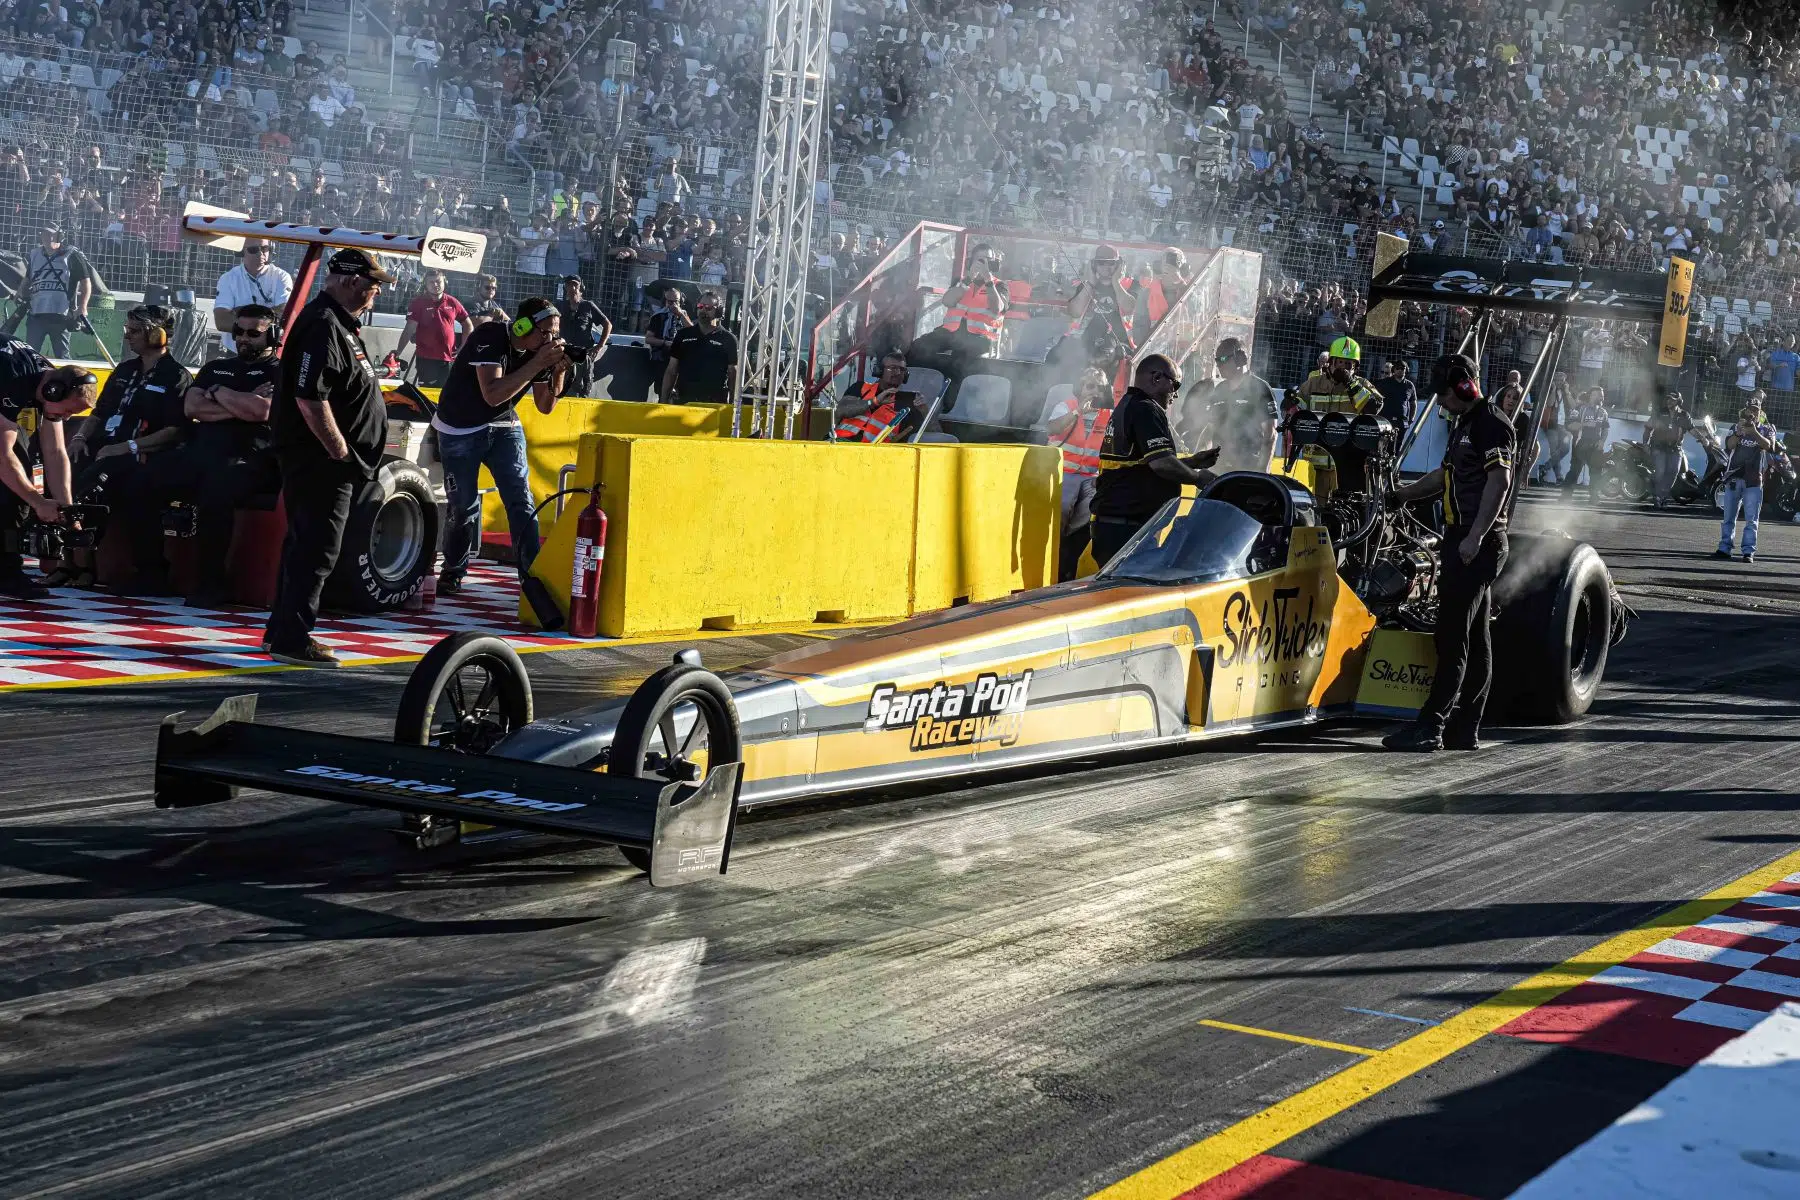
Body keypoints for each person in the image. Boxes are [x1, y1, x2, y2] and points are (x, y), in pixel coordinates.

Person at [266, 248, 396, 668]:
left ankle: (280, 630)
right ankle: (293, 639)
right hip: (319, 460)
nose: (376, 292)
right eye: (372, 284)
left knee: (305, 544)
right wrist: (340, 451)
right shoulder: (323, 323)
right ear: (350, 281)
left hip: (325, 459)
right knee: (317, 548)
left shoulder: (340, 323)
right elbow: (309, 396)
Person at [1383, 353, 1514, 753]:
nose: (1439, 401)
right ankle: (1465, 728)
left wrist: (1475, 537)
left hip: (1477, 542)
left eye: (1443, 394)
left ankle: (1431, 726)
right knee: (1476, 637)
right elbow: (1446, 474)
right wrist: (1403, 495)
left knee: (1451, 636)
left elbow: (1500, 481)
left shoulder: (1492, 424)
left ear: (1464, 386)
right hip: (1464, 538)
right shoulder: (1466, 424)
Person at [126, 305, 283, 607]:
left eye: (253, 333)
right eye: (239, 331)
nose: (243, 338)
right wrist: (241, 403)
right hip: (200, 452)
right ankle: (151, 573)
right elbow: (192, 408)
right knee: (140, 482)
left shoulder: (279, 372)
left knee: (215, 492)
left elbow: (261, 411)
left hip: (249, 458)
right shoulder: (215, 368)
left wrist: (217, 393)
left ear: (273, 336)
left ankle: (212, 583)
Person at [432, 297, 568, 595]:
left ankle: (532, 577)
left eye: (555, 333)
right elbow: (492, 394)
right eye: (544, 332)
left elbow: (545, 405)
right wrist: (538, 363)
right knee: (464, 506)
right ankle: (453, 571)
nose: (550, 339)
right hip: (460, 427)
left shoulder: (540, 352)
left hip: (504, 425)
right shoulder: (490, 335)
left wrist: (557, 373)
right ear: (521, 326)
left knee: (521, 502)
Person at [58, 305, 194, 592]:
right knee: (63, 470)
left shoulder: (176, 376)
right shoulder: (124, 369)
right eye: (127, 329)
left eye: (134, 331)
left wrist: (126, 447)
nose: (127, 336)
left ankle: (89, 566)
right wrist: (79, 438)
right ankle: (65, 561)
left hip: (141, 455)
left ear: (156, 335)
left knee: (97, 482)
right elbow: (99, 413)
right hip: (104, 449)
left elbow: (175, 430)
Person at [1089, 354, 1220, 568]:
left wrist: (1192, 462)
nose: (1175, 394)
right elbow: (1162, 464)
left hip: (1120, 527)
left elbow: (1142, 465)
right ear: (1157, 378)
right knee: (1130, 586)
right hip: (1127, 530)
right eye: (1175, 385)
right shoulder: (1145, 409)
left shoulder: (1130, 404)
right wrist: (1198, 478)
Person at [0, 342, 96, 598]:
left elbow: (55, 451)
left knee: (22, 474)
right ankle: (6, 571)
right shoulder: (14, 380)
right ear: (52, 392)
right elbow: (2, 455)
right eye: (68, 410)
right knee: (14, 484)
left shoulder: (52, 382)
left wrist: (68, 510)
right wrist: (38, 501)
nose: (67, 418)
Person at [1050, 367, 1114, 579]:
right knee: (1062, 508)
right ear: (1080, 388)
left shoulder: (1109, 416)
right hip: (1063, 472)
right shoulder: (1066, 406)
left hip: (1090, 477)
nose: (1095, 392)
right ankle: (1056, 550)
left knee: (1091, 509)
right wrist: (1078, 412)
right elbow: (1052, 428)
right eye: (1090, 386)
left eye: (1100, 388)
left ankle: (1067, 549)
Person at [907, 243, 1009, 378]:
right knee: (917, 348)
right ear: (970, 262)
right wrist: (968, 279)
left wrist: (988, 280)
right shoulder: (961, 282)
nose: (984, 265)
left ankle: (951, 386)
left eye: (988, 261)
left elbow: (997, 308)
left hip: (981, 337)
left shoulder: (1000, 285)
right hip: (951, 333)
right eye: (980, 260)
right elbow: (947, 301)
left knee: (960, 361)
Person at [1189, 337, 1279, 474]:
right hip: (1218, 468)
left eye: (1223, 359)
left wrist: (1263, 470)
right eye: (1217, 360)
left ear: (1241, 358)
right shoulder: (1219, 390)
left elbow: (1270, 434)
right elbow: (1210, 430)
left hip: (1248, 469)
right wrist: (1196, 461)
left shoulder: (1260, 388)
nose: (1219, 364)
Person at [1715, 408, 1777, 564]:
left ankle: (1748, 551)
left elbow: (1769, 446)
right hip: (1734, 477)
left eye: (1755, 412)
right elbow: (1729, 445)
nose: (1752, 415)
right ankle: (1724, 548)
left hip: (1754, 480)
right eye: (1750, 412)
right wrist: (1739, 432)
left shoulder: (1767, 429)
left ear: (1760, 414)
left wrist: (1754, 432)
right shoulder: (1736, 427)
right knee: (1728, 517)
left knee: (1752, 519)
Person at [24, 226, 94, 358]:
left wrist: (83, 306)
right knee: (30, 355)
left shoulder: (71, 255)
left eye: (50, 234)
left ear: (60, 237)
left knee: (62, 356)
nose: (46, 237)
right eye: (44, 234)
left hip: (61, 314)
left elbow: (86, 282)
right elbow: (28, 278)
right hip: (36, 313)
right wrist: (20, 293)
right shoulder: (35, 254)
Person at [213, 239, 293, 354]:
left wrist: (239, 313)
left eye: (265, 249)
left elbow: (284, 314)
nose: (260, 254)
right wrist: (267, 317)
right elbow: (222, 321)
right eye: (253, 250)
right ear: (241, 252)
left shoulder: (282, 277)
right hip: (235, 351)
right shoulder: (228, 278)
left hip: (269, 352)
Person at [395, 269, 470, 387]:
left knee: (446, 394)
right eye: (431, 282)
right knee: (428, 394)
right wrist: (398, 352)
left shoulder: (452, 302)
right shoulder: (418, 303)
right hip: (426, 359)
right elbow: (409, 329)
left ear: (444, 282)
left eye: (438, 281)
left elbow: (468, 325)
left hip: (448, 359)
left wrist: (463, 347)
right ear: (425, 284)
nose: (435, 284)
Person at [662, 293, 738, 405]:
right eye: (700, 306)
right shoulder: (683, 335)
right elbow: (671, 370)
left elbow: (733, 374)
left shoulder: (728, 339)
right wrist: (663, 400)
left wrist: (733, 403)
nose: (703, 310)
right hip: (684, 401)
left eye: (708, 308)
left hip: (714, 403)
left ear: (719, 311)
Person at [835, 351, 919, 443]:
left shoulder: (908, 402)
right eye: (893, 368)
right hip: (839, 444)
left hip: (873, 451)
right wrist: (874, 401)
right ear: (880, 370)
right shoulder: (860, 387)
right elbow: (841, 410)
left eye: (902, 369)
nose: (898, 372)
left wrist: (924, 410)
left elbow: (923, 432)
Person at [553, 275, 612, 398]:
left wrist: (599, 346)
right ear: (565, 287)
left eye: (575, 285)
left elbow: (607, 324)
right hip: (564, 355)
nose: (572, 288)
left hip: (583, 356)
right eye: (569, 285)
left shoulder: (588, 306)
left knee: (583, 391)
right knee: (561, 390)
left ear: (581, 287)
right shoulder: (560, 306)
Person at [1643, 390, 1693, 509]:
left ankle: (1663, 496)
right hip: (1659, 447)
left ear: (1679, 401)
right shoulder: (1659, 413)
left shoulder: (1684, 415)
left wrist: (1704, 440)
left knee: (1673, 471)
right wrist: (1645, 444)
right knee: (1660, 471)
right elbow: (1648, 428)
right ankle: (1657, 496)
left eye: (1672, 399)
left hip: (1675, 449)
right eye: (1668, 399)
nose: (1669, 401)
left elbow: (1692, 429)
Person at [642, 284, 690, 400]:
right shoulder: (658, 316)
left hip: (680, 359)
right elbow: (648, 338)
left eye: (676, 302)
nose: (673, 305)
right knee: (663, 392)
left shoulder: (684, 315)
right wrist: (664, 343)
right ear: (665, 301)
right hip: (662, 359)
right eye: (670, 302)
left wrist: (680, 315)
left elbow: (692, 331)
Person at [1563, 387, 1609, 498]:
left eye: (1602, 395)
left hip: (1596, 445)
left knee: (1596, 473)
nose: (1602, 397)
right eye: (1599, 395)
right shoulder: (1580, 409)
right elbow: (1569, 425)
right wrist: (1585, 424)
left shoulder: (1603, 412)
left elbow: (1606, 428)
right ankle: (1565, 497)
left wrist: (1602, 441)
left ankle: (1594, 497)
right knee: (1574, 471)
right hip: (1581, 443)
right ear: (1591, 396)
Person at [1533, 371, 1572, 485]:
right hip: (1552, 425)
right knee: (1554, 450)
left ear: (1565, 381)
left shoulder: (1567, 392)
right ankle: (1559, 476)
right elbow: (1550, 404)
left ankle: (1545, 467)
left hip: (1564, 426)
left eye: (1561, 380)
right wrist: (1554, 389)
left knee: (1565, 448)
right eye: (1557, 380)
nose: (1559, 382)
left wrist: (1567, 392)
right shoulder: (1549, 391)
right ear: (1553, 380)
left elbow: (1573, 405)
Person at [1372, 359, 1417, 427]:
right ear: (1394, 370)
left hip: (1402, 422)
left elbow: (1413, 403)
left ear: (1406, 370)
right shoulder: (1384, 383)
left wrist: (1411, 419)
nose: (1400, 370)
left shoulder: (1410, 385)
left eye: (1402, 368)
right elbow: (1374, 397)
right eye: (1397, 368)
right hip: (1385, 421)